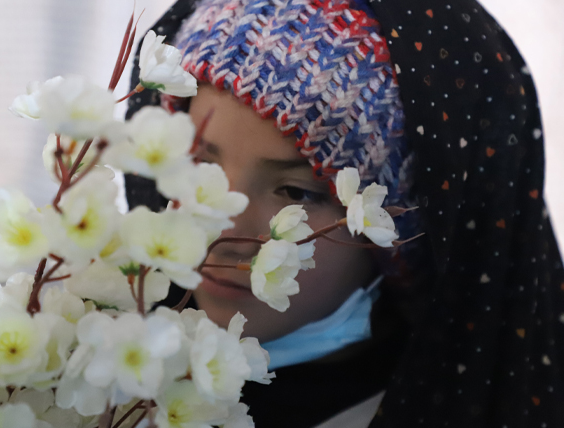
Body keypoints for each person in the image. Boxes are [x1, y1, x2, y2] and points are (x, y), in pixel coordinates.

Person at [124, 0, 564, 427]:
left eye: (295, 191)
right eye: (201, 164)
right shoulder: (95, 360)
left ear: (395, 229)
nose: (224, 226)